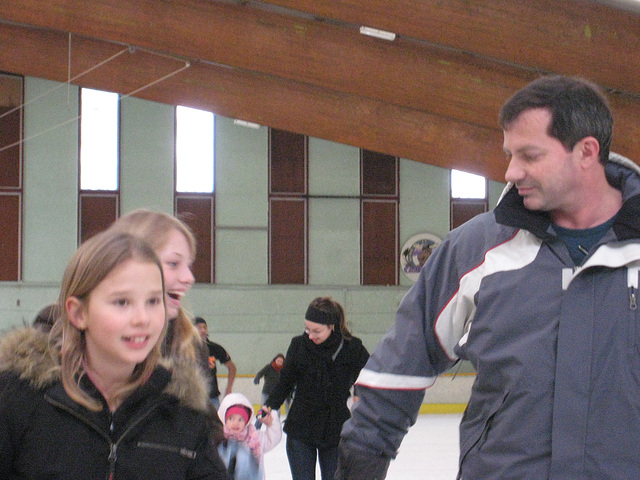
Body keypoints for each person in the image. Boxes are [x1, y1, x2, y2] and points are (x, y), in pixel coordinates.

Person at [336, 75, 640, 479]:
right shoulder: (475, 249)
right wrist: (359, 465)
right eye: (509, 154)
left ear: (586, 152)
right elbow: (399, 366)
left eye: (529, 155)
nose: (512, 171)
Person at [0, 230, 228, 479]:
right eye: (122, 302)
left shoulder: (182, 412)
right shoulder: (18, 399)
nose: (143, 319)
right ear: (78, 313)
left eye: (153, 301)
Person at [108, 209, 225, 443]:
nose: (189, 277)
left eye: (188, 265)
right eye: (173, 263)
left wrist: (221, 443)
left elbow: (198, 427)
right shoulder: (60, 351)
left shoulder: (188, 344)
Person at [263, 296, 369, 480]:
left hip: (335, 429)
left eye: (316, 331)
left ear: (332, 326)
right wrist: (270, 406)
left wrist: (359, 394)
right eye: (307, 329)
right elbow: (285, 382)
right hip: (300, 428)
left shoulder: (352, 348)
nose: (310, 335)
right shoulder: (298, 345)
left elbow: (369, 375)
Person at [217, 392, 282, 480]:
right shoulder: (219, 439)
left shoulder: (255, 438)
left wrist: (271, 424)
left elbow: (273, 438)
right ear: (224, 419)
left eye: (240, 419)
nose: (236, 423)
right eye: (231, 418)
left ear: (247, 421)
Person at [195, 316, 237, 408]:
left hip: (212, 398)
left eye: (205, 327)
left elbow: (232, 367)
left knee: (216, 422)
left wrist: (228, 389)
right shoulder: (185, 349)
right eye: (199, 328)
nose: (203, 330)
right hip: (193, 398)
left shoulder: (215, 348)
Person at [253, 353, 291, 418]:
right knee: (263, 408)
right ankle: (259, 422)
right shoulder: (269, 367)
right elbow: (260, 373)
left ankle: (276, 423)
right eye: (278, 361)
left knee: (276, 410)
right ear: (275, 360)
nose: (279, 362)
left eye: (281, 362)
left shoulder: (284, 370)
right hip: (266, 391)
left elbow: (288, 380)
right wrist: (257, 378)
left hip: (277, 393)